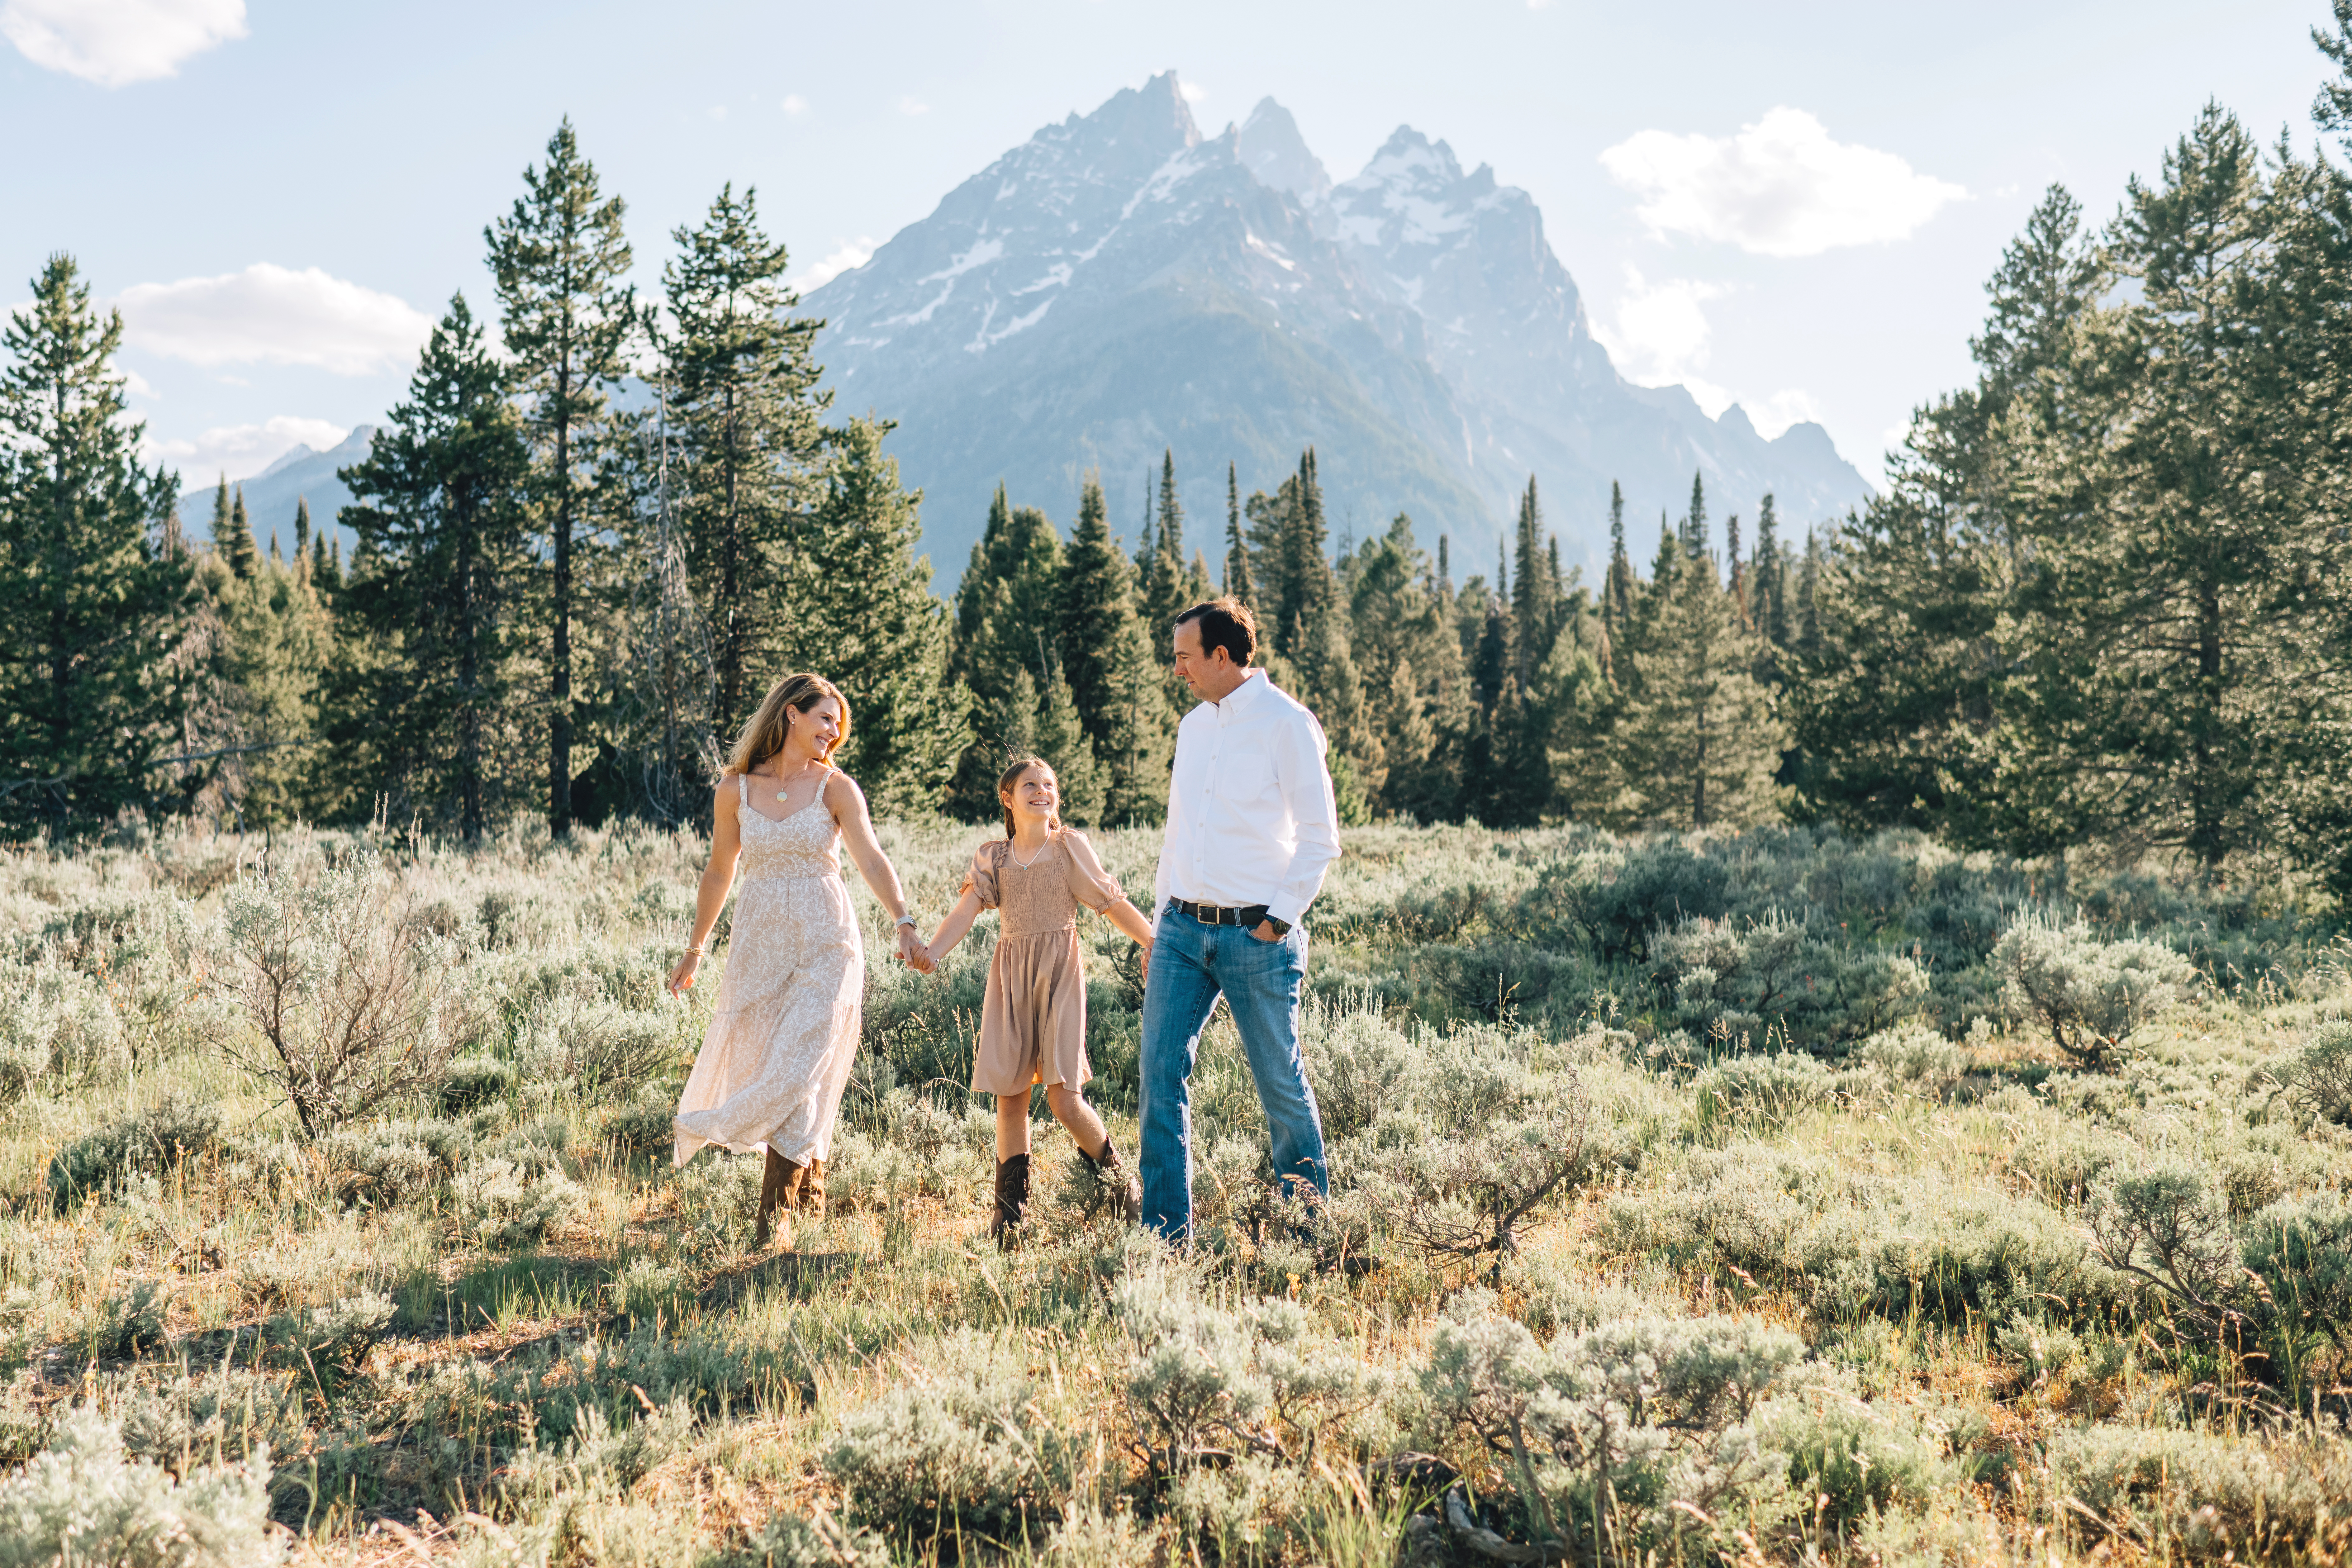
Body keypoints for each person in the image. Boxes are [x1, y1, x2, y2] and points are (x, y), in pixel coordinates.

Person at [668, 672, 929, 1247]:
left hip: (828, 944)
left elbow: (871, 858)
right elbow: (719, 870)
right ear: (791, 713)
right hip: (761, 947)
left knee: (800, 1064)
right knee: (787, 1068)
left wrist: (904, 921)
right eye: (825, 718)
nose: (834, 732)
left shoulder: (837, 788)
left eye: (838, 724)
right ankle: (810, 1193)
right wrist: (696, 948)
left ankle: (774, 1220)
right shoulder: (735, 788)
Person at [1139, 598, 1341, 1242]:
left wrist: (1276, 923)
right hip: (1181, 932)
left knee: (1280, 1085)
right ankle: (1164, 1238)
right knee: (1158, 1078)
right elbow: (1177, 834)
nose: (1177, 670)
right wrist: (1159, 924)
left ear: (1221, 656)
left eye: (1184, 658)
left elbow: (1320, 838)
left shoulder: (1288, 724)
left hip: (1258, 937)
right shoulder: (1192, 728)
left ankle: (1308, 1237)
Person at [919, 758, 1152, 1243]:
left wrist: (1154, 941)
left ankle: (1122, 1187)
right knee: (1011, 1099)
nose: (1042, 791)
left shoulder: (1068, 847)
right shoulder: (994, 858)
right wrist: (933, 952)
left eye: (1049, 784)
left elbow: (1110, 903)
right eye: (1031, 784)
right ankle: (1010, 1221)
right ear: (1009, 798)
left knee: (1065, 1099)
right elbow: (966, 910)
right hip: (1012, 979)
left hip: (1060, 975)